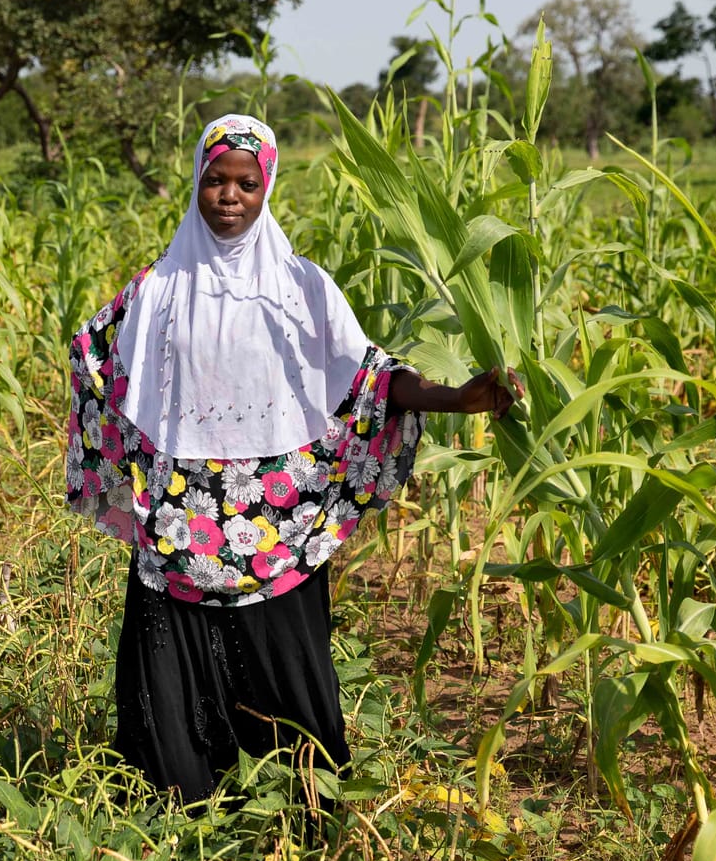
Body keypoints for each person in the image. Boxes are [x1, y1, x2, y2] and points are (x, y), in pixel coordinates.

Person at [66, 114, 519, 803]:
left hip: (275, 519)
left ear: (266, 187)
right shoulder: (157, 288)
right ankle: (174, 816)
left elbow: (369, 377)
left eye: (246, 183)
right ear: (195, 184)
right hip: (180, 519)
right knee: (165, 679)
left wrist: (455, 396)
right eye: (215, 180)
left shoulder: (304, 286)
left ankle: (304, 815)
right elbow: (96, 356)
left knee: (286, 676)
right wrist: (131, 455)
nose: (228, 195)